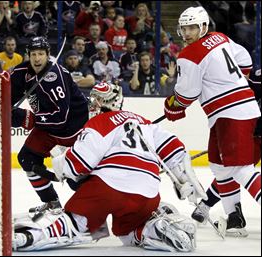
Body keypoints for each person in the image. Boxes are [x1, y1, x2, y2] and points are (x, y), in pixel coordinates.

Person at [12, 81, 206, 252]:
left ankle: (29, 237)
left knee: (74, 222)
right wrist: (183, 178)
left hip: (109, 187)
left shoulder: (99, 122)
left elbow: (79, 163)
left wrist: (61, 163)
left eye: (96, 100)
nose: (93, 104)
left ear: (104, 102)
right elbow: (173, 147)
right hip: (148, 192)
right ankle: (154, 228)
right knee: (127, 233)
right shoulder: (144, 122)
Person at [163, 6, 261, 236]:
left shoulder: (189, 55)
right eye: (184, 28)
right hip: (230, 113)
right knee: (218, 165)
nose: (186, 33)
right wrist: (233, 80)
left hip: (231, 114)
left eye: (192, 28)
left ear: (203, 26)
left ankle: (234, 214)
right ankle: (234, 216)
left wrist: (172, 106)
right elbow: (244, 60)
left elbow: (186, 95)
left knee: (240, 168)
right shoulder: (220, 38)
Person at [10, 36, 89, 215]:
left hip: (73, 130)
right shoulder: (23, 70)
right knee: (27, 159)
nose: (37, 58)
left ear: (47, 55)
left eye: (40, 54)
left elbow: (61, 117)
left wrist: (28, 118)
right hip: (49, 127)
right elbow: (8, 95)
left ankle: (92, 206)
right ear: (28, 55)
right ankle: (51, 203)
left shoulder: (55, 76)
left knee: (75, 179)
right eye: (33, 54)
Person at [191, 67, 261, 236]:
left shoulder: (254, 77)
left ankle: (207, 206)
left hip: (254, 133)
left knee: (236, 169)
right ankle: (215, 209)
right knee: (234, 169)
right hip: (253, 133)